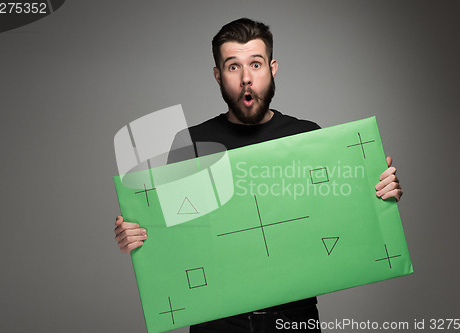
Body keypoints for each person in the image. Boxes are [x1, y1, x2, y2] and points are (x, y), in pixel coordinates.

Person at [114, 18, 403, 332]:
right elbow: (178, 240)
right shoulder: (191, 145)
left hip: (294, 320)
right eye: (233, 67)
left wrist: (379, 194)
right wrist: (138, 233)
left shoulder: (307, 137)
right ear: (218, 75)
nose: (246, 79)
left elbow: (341, 219)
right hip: (217, 323)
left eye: (256, 64)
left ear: (273, 68)